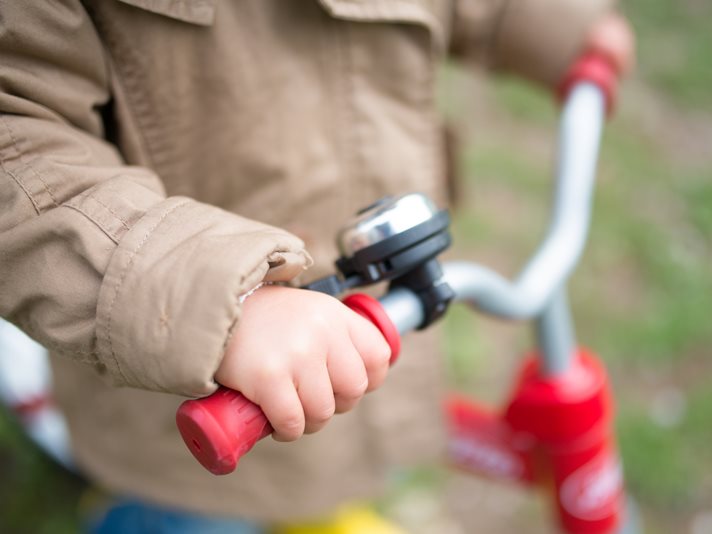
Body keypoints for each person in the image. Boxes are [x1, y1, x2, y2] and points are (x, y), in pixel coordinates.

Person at [0, 1, 633, 531]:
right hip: (180, 395)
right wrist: (217, 296)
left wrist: (542, 17)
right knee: (193, 515)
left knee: (335, 456)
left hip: (352, 337)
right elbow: (17, 137)